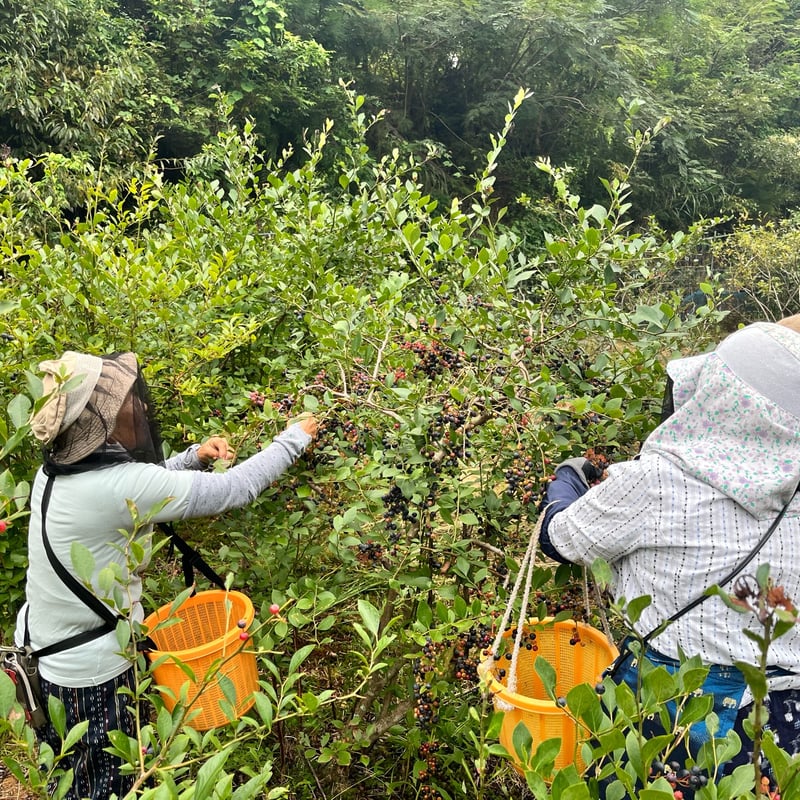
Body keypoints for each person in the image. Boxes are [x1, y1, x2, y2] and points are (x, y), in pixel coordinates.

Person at [14, 350, 318, 800]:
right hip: (93, 676)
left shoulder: (53, 473)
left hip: (47, 660)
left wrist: (192, 457)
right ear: (96, 420)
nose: (131, 409)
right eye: (119, 404)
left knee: (75, 780)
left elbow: (134, 486)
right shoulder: (115, 486)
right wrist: (292, 440)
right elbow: (234, 488)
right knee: (110, 789)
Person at [539, 319, 800, 776]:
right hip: (784, 719)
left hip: (678, 704)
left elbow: (561, 538)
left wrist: (567, 481)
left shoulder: (656, 481)